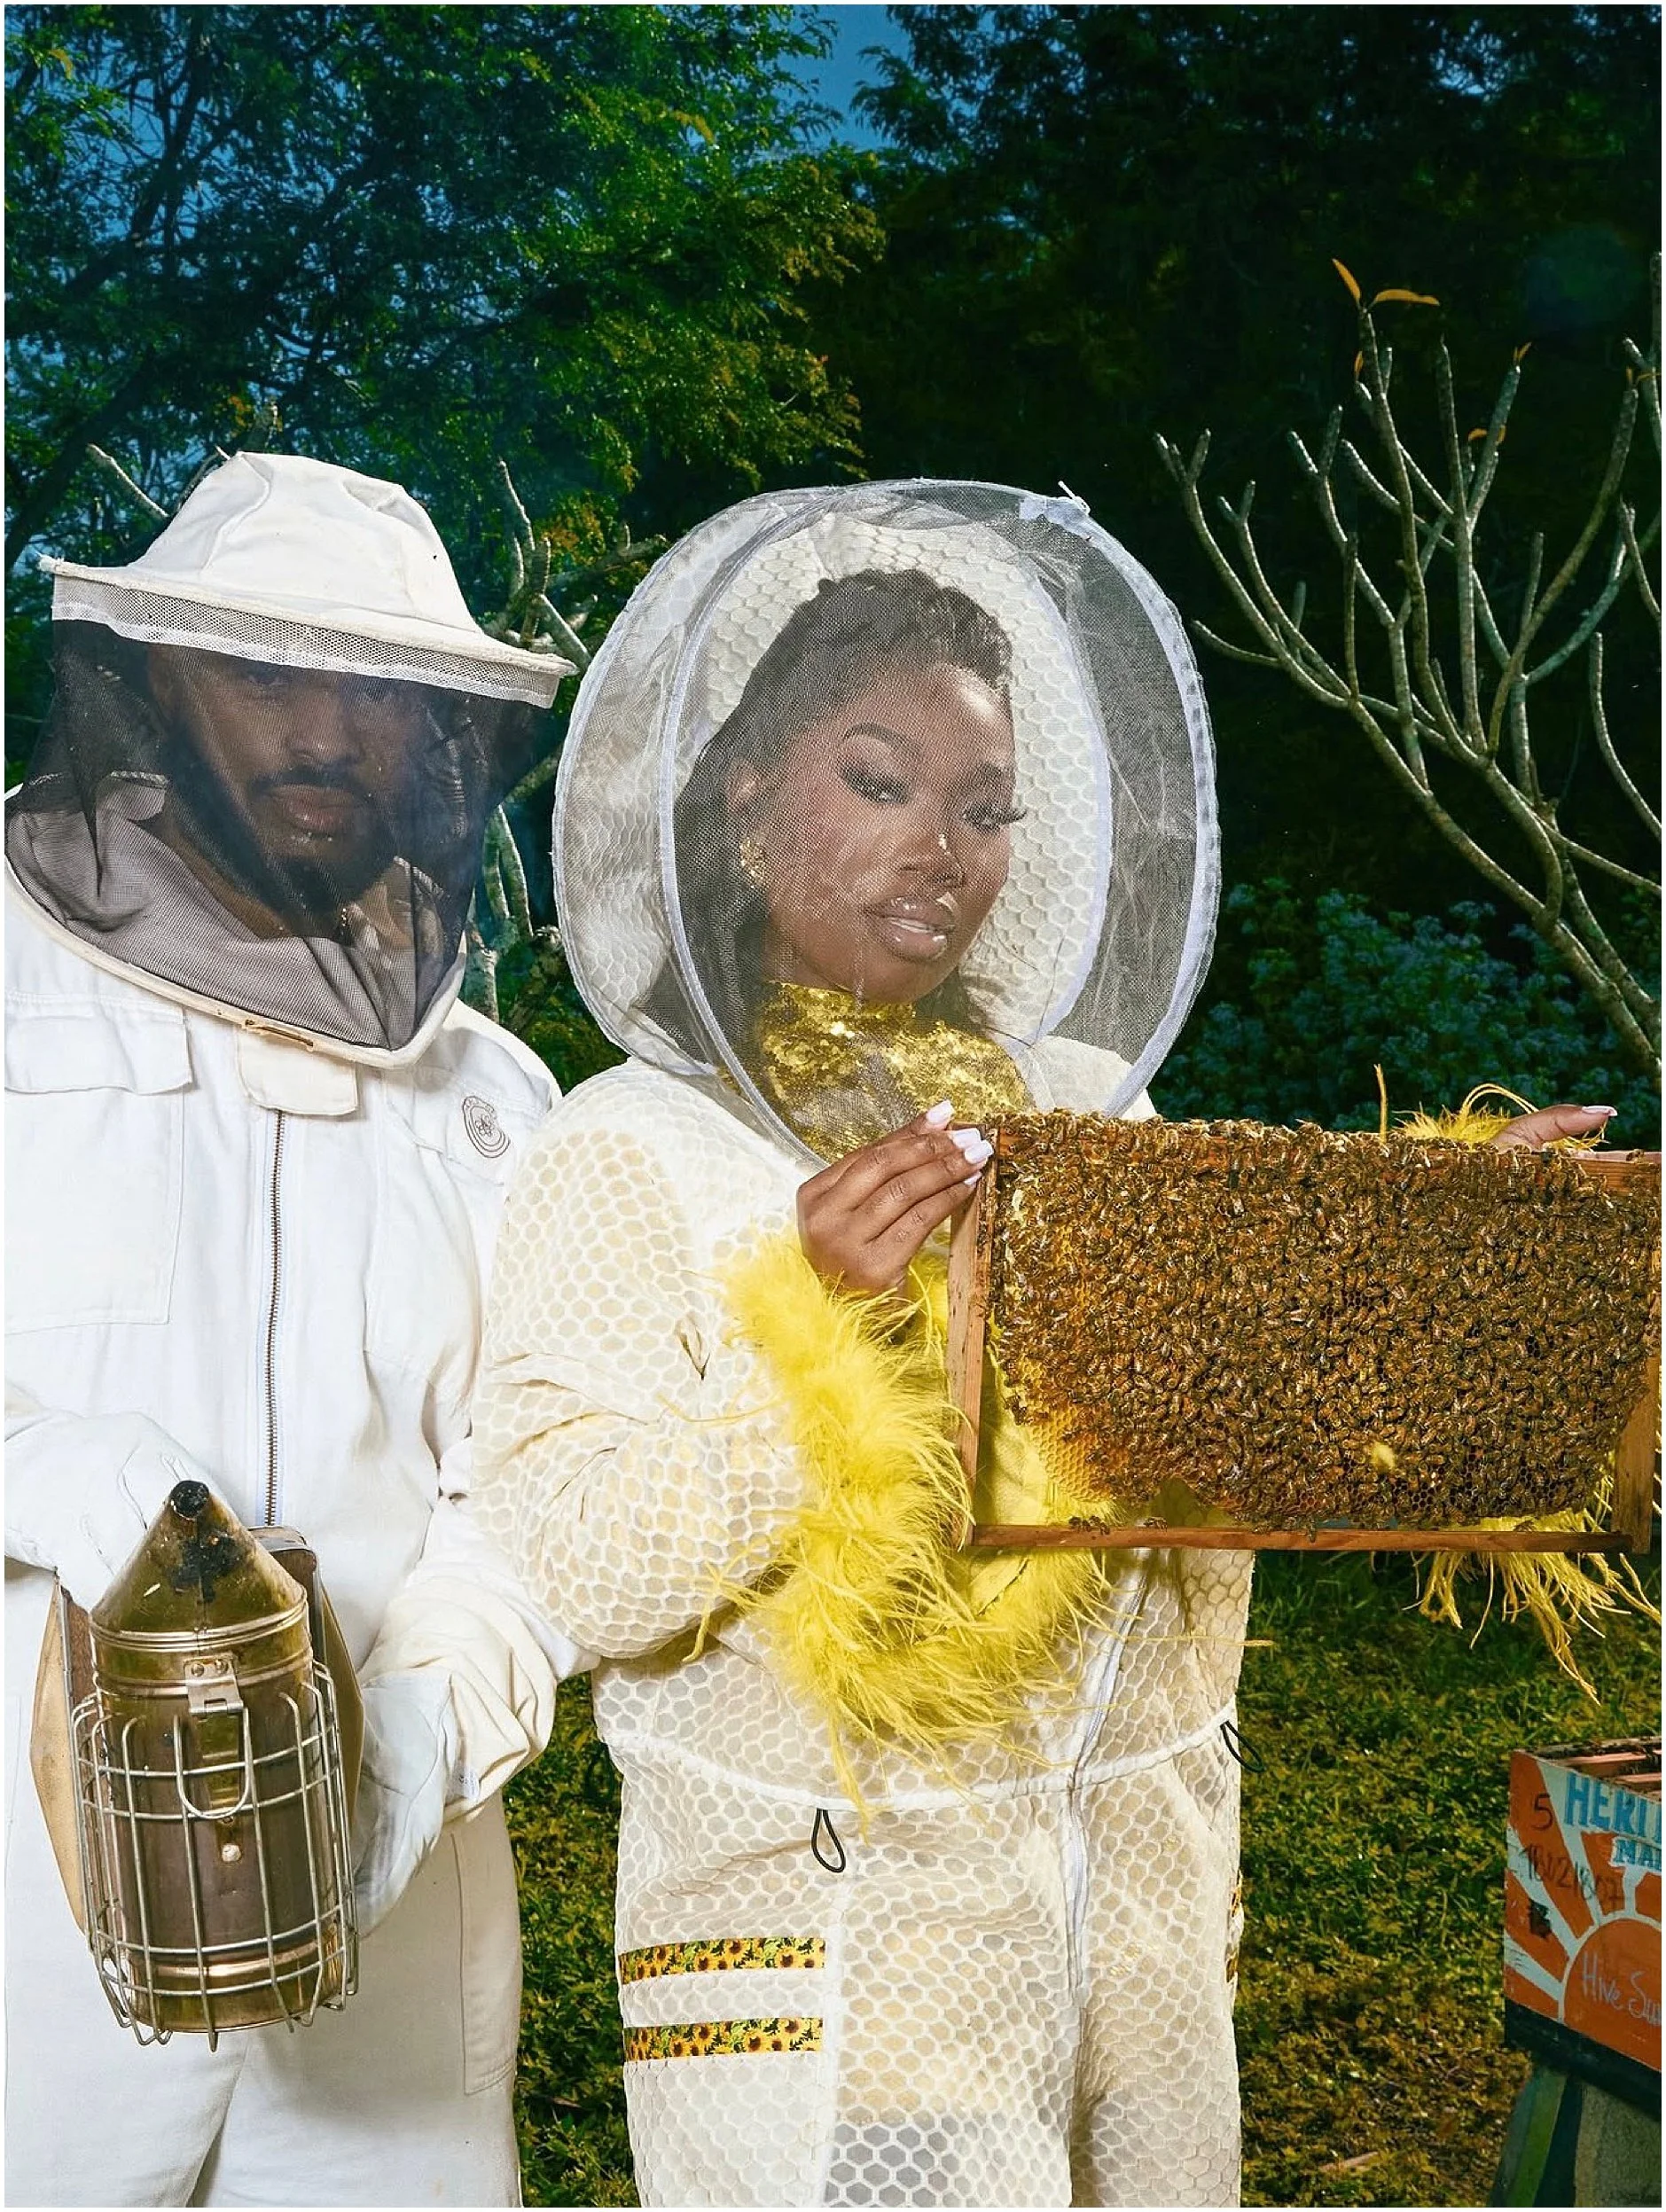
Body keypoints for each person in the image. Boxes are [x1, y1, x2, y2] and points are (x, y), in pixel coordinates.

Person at [467, 482, 1614, 2209]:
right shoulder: (632, 1146)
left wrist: (1438, 1273)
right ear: (746, 790)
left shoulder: (1078, 1107)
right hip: (847, 1978)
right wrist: (818, 1347)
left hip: (1136, 1942)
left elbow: (1237, 1386)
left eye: (987, 804)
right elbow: (572, 1554)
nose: (943, 840)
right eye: (881, 779)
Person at [4, 450, 586, 2207]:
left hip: (400, 1921)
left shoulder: (498, 1093)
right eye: (266, 671)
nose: (325, 727)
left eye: (371, 687)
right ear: (156, 685)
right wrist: (50, 1464)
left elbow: (543, 1482)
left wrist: (409, 1744)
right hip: (33, 1877)